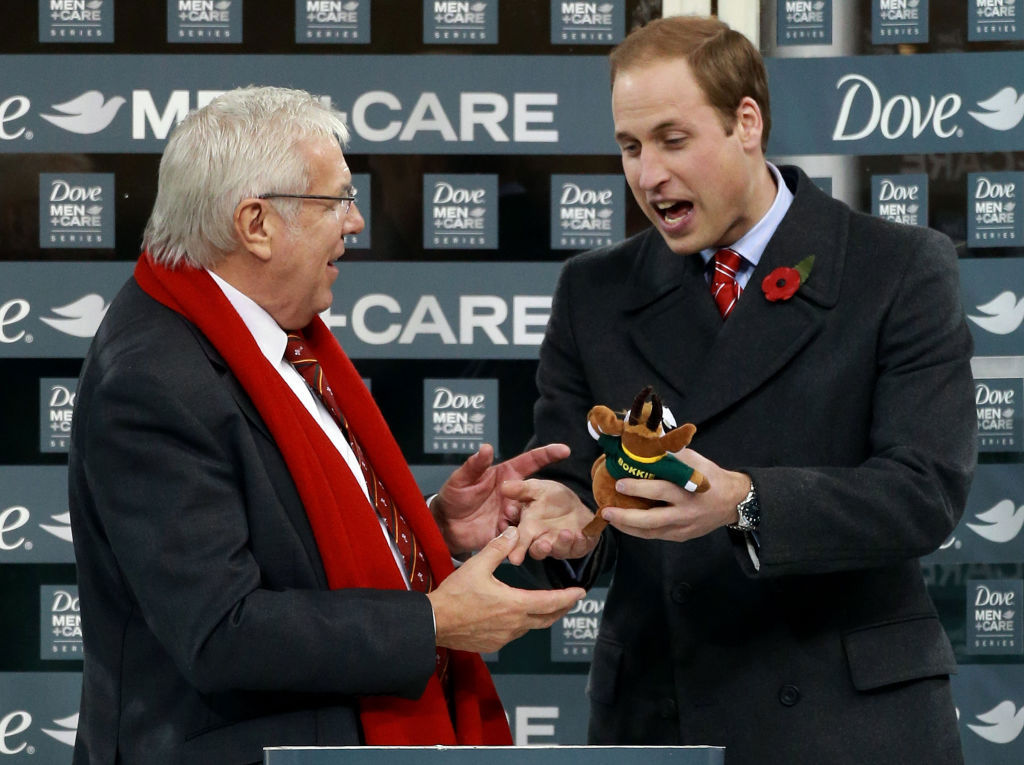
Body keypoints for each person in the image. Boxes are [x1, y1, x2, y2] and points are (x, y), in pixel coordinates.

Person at [500, 15, 977, 765]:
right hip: (661, 722)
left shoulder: (898, 268)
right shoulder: (593, 293)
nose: (648, 174)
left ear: (746, 122)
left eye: (672, 139)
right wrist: (563, 524)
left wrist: (745, 502)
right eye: (630, 147)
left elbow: (924, 493)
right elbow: (571, 484)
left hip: (851, 727)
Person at [67, 85, 585, 765]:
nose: (356, 222)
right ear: (255, 223)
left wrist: (428, 530)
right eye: (336, 199)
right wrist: (436, 620)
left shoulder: (270, 340)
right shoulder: (152, 377)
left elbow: (286, 536)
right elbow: (221, 629)